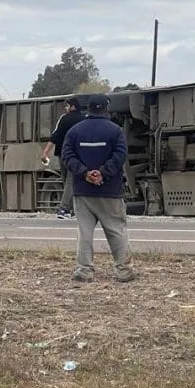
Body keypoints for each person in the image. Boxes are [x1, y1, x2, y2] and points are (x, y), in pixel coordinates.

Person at [61, 94, 135, 283]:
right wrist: (103, 173)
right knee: (116, 230)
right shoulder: (115, 131)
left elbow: (67, 156)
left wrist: (85, 173)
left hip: (82, 191)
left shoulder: (75, 131)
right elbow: (120, 156)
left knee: (84, 233)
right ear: (106, 109)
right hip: (109, 191)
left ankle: (84, 270)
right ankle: (123, 270)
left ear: (89, 108)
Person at [41, 97, 86, 220]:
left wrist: (45, 152)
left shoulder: (64, 119)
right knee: (71, 183)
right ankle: (67, 209)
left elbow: (55, 136)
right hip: (77, 156)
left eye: (67, 106)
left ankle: (66, 209)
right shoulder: (84, 120)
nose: (66, 108)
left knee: (67, 182)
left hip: (63, 155)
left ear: (73, 107)